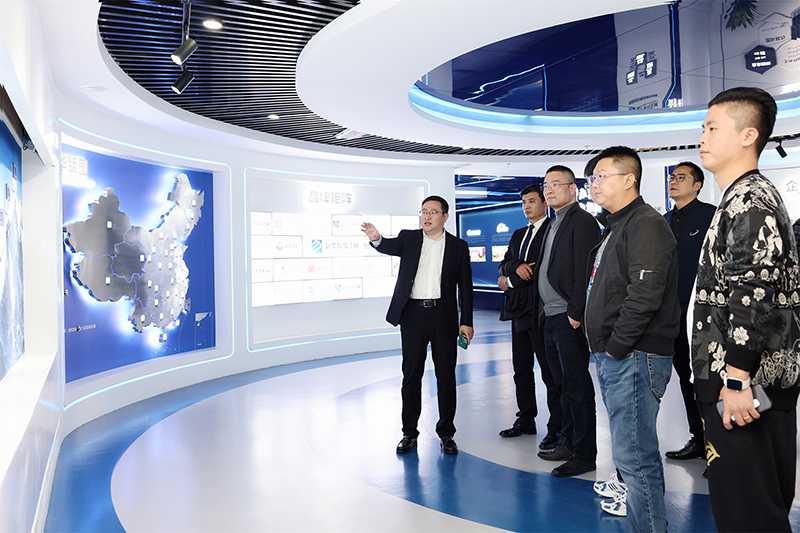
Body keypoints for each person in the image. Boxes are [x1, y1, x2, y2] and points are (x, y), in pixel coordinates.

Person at [692, 87, 800, 532]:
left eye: (712, 127)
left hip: (743, 391)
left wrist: (736, 378)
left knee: (748, 513)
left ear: (747, 135)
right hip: (744, 385)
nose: (702, 137)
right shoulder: (741, 197)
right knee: (753, 507)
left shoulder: (750, 201)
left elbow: (753, 294)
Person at [585, 146, 679, 532]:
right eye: (591, 178)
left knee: (635, 458)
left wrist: (616, 347)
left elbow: (644, 294)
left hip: (634, 355)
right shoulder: (617, 225)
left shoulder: (645, 224)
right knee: (630, 456)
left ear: (629, 180)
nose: (593, 184)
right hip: (620, 355)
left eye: (601, 176)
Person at [361, 195, 474, 455]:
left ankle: (446, 433)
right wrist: (376, 238)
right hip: (412, 315)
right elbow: (387, 245)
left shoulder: (458, 246)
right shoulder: (409, 238)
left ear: (445, 217)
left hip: (443, 316)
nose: (427, 216)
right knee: (411, 375)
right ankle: (409, 433)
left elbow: (465, 287)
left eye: (433, 212)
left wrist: (466, 321)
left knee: (446, 376)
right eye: (423, 211)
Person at [534, 165, 601, 477]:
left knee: (576, 386)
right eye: (545, 185)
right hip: (550, 315)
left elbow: (586, 270)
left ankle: (585, 454)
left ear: (573, 189)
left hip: (567, 317)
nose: (548, 190)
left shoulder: (582, 221)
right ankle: (569, 441)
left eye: (555, 184)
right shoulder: (553, 222)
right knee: (561, 384)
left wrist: (576, 311)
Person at [497, 185, 563, 449]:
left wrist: (509, 281)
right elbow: (504, 264)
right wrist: (515, 267)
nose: (526, 206)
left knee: (550, 372)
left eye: (532, 201)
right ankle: (526, 419)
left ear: (545, 203)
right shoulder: (518, 234)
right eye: (524, 202)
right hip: (518, 312)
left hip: (541, 311)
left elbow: (538, 269)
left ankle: (557, 427)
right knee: (521, 369)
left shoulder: (551, 230)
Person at [662, 162, 716, 462]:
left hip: (704, 312)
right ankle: (698, 438)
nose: (674, 181)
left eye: (681, 177)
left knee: (709, 379)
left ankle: (717, 448)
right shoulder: (663, 221)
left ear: (697, 185)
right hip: (673, 313)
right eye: (672, 177)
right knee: (685, 376)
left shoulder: (711, 215)